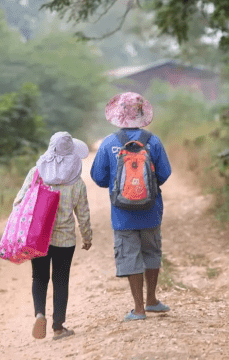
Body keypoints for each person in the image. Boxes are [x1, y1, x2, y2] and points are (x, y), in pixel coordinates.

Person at [90, 92, 172, 321]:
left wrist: (120, 187)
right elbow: (164, 173)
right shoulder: (153, 141)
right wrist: (146, 188)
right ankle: (152, 300)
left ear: (117, 116)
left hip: (122, 214)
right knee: (151, 252)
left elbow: (97, 177)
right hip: (151, 210)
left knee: (130, 256)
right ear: (142, 113)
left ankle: (138, 309)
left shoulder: (109, 143)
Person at [13, 131, 93, 340]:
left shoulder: (36, 173)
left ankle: (40, 313)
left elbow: (19, 201)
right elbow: (83, 214)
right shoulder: (77, 182)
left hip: (38, 237)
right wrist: (87, 236)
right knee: (60, 280)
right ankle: (58, 327)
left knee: (39, 277)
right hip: (65, 240)